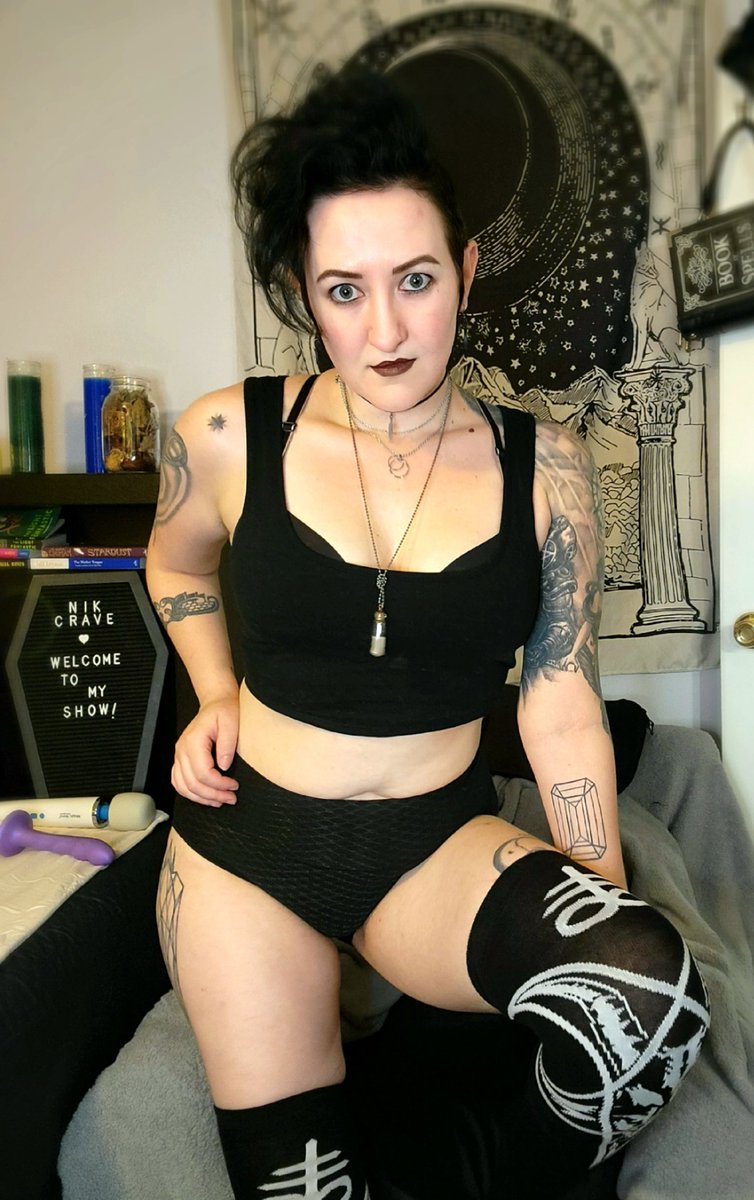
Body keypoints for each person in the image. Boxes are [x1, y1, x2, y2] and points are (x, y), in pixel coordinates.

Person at [146, 67, 709, 1200]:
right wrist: (214, 689)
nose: (388, 329)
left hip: (430, 849)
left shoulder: (546, 468)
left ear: (466, 268)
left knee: (649, 1002)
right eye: (344, 291)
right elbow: (175, 562)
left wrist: (595, 885)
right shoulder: (222, 435)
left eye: (415, 279)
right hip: (250, 854)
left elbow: (559, 698)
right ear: (305, 296)